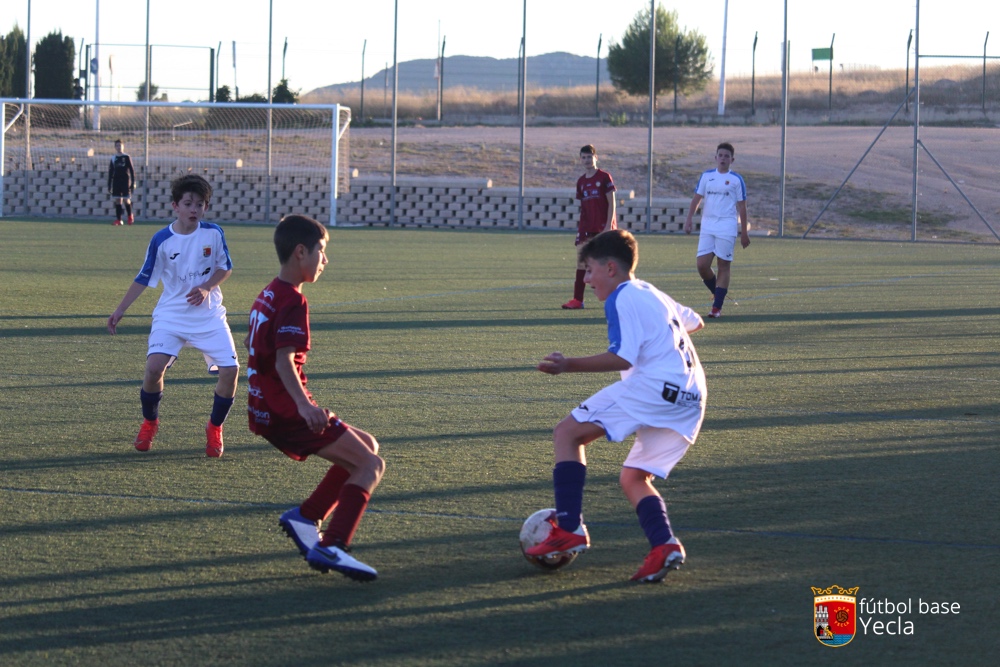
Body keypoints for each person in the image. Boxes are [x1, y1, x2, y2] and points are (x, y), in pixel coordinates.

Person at [529, 229, 707, 583]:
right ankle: (664, 545)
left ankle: (569, 528)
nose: (588, 278)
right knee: (634, 477)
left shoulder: (622, 297)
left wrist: (569, 365)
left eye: (590, 270)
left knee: (567, 433)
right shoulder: (651, 292)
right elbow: (695, 321)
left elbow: (622, 358)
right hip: (691, 396)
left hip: (656, 388)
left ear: (611, 268)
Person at [245, 214, 386, 582]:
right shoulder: (293, 301)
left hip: (264, 406)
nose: (325, 261)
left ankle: (306, 516)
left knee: (367, 445)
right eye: (321, 252)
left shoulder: (268, 293)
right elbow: (283, 359)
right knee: (370, 465)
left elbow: (259, 349)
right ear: (300, 252)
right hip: (285, 411)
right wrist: (305, 406)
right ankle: (333, 544)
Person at [107, 174, 238, 458]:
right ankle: (150, 422)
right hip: (172, 315)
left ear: (206, 207)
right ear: (175, 206)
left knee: (231, 371)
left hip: (209, 315)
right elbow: (144, 277)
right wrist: (120, 310)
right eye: (188, 203)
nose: (194, 209)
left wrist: (206, 287)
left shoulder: (213, 233)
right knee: (154, 368)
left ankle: (215, 428)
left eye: (200, 204)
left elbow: (225, 268)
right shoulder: (162, 239)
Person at [683, 142, 750, 318]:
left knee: (723, 265)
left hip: (726, 227)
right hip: (707, 227)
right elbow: (696, 199)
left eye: (726, 156)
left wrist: (744, 232)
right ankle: (719, 293)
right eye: (720, 155)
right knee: (702, 265)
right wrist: (689, 219)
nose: (723, 158)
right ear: (715, 157)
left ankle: (716, 307)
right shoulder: (707, 177)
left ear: (732, 160)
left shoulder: (736, 180)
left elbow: (742, 207)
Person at [562, 144, 617, 310]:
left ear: (596, 158)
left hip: (603, 228)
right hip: (586, 228)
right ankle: (577, 300)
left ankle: (615, 298)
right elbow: (584, 208)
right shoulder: (581, 182)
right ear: (580, 160)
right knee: (581, 262)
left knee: (608, 265)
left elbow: (611, 203)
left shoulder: (604, 177)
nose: (587, 160)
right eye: (584, 157)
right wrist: (580, 229)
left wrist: (609, 225)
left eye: (589, 157)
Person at [108, 139, 136, 226]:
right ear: (115, 147)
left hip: (125, 181)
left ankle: (129, 216)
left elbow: (131, 170)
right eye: (117, 146)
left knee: (126, 199)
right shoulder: (113, 158)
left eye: (120, 145)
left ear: (123, 146)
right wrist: (109, 184)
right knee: (118, 200)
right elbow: (111, 172)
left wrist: (133, 182)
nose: (119, 147)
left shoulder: (127, 157)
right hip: (116, 181)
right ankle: (119, 219)